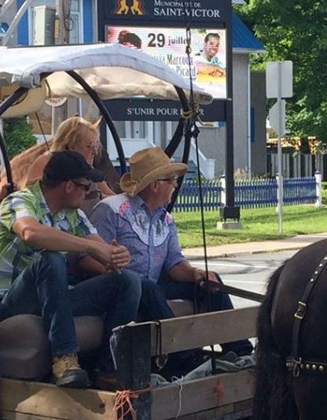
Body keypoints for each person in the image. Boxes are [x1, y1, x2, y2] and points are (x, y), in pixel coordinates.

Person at [0, 150, 140, 389]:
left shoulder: (73, 214)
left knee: (127, 281)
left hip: (55, 299)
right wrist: (89, 246)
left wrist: (117, 255)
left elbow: (101, 247)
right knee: (50, 259)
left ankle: (110, 369)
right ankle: (64, 360)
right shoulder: (19, 201)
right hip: (11, 303)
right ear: (69, 186)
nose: (88, 193)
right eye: (86, 187)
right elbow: (31, 233)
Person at [90, 147, 253, 360]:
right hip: (122, 290)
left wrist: (195, 274)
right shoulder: (110, 210)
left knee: (210, 283)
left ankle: (241, 350)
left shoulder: (165, 219)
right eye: (172, 180)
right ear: (155, 184)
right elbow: (89, 258)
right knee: (146, 286)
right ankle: (183, 355)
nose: (176, 185)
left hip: (153, 287)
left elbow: (173, 262)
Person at [2, 116, 111, 200]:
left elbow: (109, 195)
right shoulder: (45, 162)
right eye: (91, 146)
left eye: (96, 147)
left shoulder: (87, 169)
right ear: (72, 145)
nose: (95, 152)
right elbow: (30, 194)